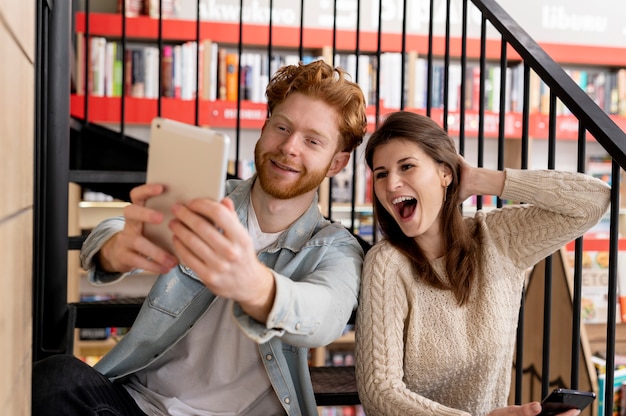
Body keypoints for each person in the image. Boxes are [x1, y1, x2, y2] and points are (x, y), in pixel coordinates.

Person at [32, 59, 368, 416]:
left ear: (336, 164)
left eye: (312, 141)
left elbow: (325, 315)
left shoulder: (336, 248)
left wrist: (255, 286)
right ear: (265, 126)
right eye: (282, 127)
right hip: (142, 407)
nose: (289, 148)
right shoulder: (206, 196)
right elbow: (113, 228)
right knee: (55, 379)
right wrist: (114, 251)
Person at [354, 111, 610, 416]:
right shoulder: (386, 265)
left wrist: (482, 179)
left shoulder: (497, 238)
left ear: (445, 174)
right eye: (381, 173)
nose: (391, 183)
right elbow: (379, 392)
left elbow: (594, 201)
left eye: (406, 166)